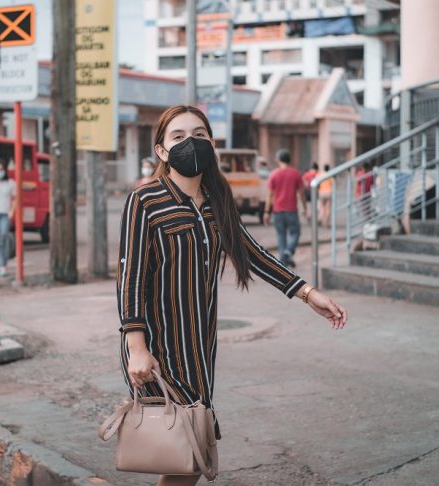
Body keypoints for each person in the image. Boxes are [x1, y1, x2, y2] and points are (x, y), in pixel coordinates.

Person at [117, 105, 347, 486]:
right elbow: (131, 278)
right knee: (186, 452)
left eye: (199, 134)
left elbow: (253, 253)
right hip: (160, 348)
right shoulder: (145, 201)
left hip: (201, 346)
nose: (190, 143)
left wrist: (308, 294)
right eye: (178, 137)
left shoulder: (216, 201)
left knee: (189, 448)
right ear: (161, 151)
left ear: (211, 143)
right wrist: (136, 346)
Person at [264, 149, 307, 268]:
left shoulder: (274, 174)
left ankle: (284, 260)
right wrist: (304, 208)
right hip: (291, 210)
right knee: (295, 233)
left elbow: (269, 195)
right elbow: (302, 194)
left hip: (278, 211)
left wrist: (266, 212)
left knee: (281, 236)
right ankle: (288, 252)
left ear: (278, 160)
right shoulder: (296, 173)